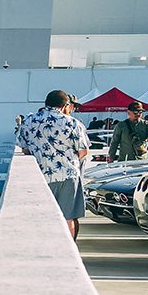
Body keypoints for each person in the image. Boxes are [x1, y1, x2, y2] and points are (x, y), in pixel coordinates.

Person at [16, 89, 91, 239]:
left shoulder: (30, 121)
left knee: (41, 217)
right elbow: (84, 151)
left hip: (39, 176)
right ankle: (68, 247)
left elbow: (24, 148)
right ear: (65, 105)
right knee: (67, 217)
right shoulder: (73, 123)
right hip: (68, 175)